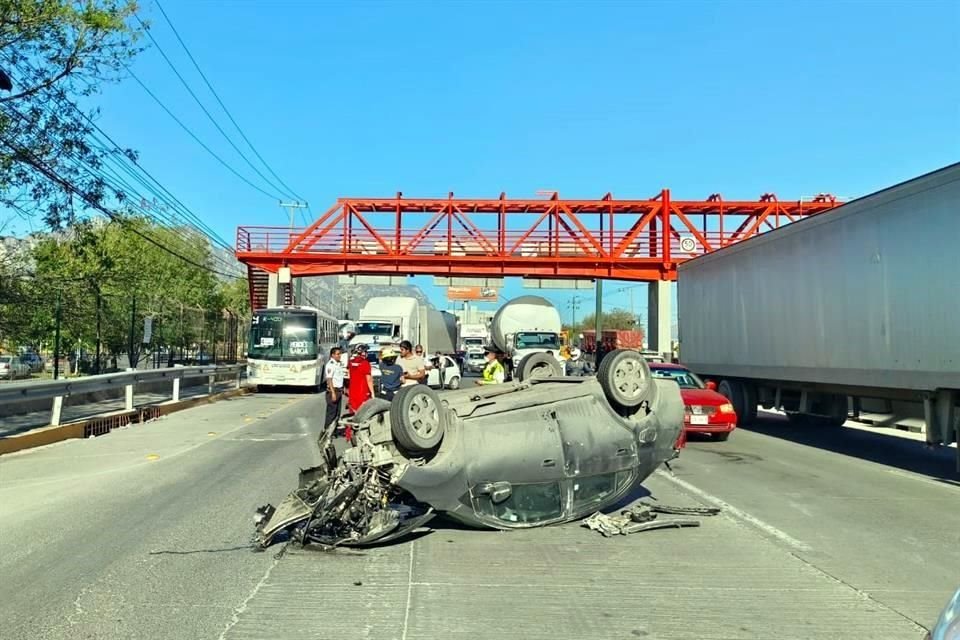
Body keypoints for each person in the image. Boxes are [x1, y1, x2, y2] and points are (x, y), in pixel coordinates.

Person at [347, 343, 374, 413]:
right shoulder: (365, 363)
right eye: (365, 351)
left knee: (352, 413)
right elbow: (369, 380)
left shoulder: (351, 362)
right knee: (363, 413)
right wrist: (372, 393)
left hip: (352, 393)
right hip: (363, 392)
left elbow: (349, 376)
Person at [323, 346, 345, 430]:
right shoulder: (330, 365)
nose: (339, 355)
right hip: (333, 391)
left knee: (337, 413)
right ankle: (327, 431)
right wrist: (332, 393)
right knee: (331, 413)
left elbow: (339, 378)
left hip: (339, 390)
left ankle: (334, 430)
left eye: (340, 354)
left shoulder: (338, 363)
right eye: (337, 354)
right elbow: (329, 379)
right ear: (332, 355)